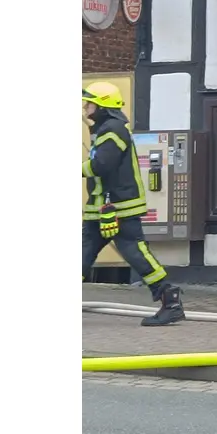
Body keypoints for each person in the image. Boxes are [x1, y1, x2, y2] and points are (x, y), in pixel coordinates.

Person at [83, 82, 185, 326]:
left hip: (119, 208)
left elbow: (101, 165)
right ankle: (169, 300)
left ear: (101, 105)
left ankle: (170, 300)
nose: (84, 107)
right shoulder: (105, 128)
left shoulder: (113, 130)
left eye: (89, 102)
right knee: (81, 253)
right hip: (101, 207)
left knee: (135, 253)